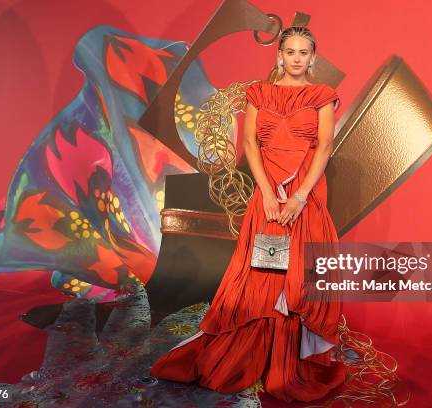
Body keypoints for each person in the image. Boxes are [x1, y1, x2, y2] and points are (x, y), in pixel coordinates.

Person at [150, 26, 348, 403]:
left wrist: (299, 197)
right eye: (290, 51)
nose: (296, 58)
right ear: (279, 55)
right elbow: (249, 144)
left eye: (303, 52)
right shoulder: (259, 93)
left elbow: (324, 148)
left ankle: (287, 359)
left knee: (295, 280)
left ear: (312, 58)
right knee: (262, 275)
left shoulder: (323, 96)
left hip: (304, 199)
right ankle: (252, 353)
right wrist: (268, 193)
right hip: (268, 197)